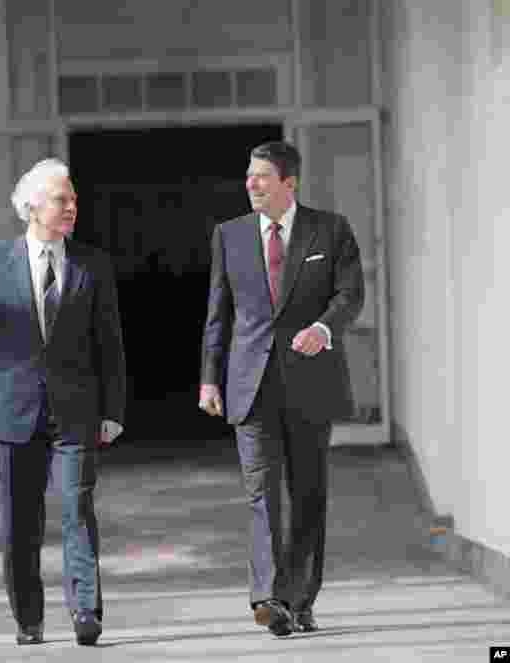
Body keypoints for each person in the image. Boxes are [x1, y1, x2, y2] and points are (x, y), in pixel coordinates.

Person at [0, 158, 126, 646]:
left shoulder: (92, 264)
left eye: (74, 199)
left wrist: (113, 411)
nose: (72, 207)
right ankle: (29, 619)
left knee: (78, 510)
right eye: (63, 199)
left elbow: (110, 343)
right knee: (20, 525)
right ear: (32, 206)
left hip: (76, 411)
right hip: (15, 412)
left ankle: (85, 611)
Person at [199, 141, 364, 636]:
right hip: (249, 384)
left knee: (308, 494)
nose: (251, 184)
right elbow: (218, 312)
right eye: (249, 175)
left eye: (262, 177)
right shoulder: (228, 236)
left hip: (311, 382)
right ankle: (269, 597)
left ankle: (299, 598)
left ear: (289, 183)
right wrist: (209, 376)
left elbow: (350, 293)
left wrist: (324, 328)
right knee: (261, 494)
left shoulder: (329, 230)